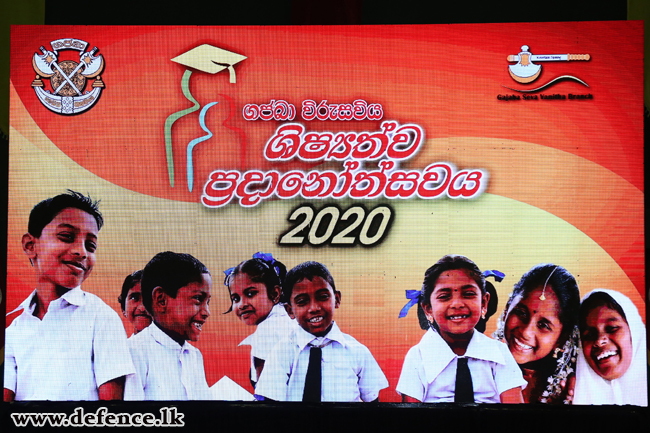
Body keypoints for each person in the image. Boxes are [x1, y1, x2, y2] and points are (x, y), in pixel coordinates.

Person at [4, 190, 134, 401]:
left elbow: (111, 410)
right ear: (30, 245)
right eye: (67, 237)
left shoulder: (101, 317)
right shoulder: (13, 329)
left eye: (90, 245)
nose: (81, 252)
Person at [397, 255, 525, 403]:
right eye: (444, 296)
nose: (457, 304)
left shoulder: (499, 353)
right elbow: (411, 419)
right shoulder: (417, 357)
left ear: (484, 302)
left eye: (468, 294)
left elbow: (516, 414)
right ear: (428, 309)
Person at [254, 261, 388, 402]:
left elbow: (373, 404)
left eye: (322, 297)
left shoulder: (357, 351)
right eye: (302, 301)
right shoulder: (282, 352)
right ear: (290, 311)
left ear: (336, 299)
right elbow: (271, 406)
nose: (314, 308)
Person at [125, 251, 212, 400]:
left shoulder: (195, 356)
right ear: (161, 300)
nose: (206, 312)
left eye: (208, 302)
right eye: (198, 299)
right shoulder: (134, 351)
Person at [493, 264, 580, 403]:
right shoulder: (475, 364)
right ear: (507, 308)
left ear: (562, 338)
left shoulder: (569, 391)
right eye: (521, 313)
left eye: (543, 325)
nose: (526, 331)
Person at [224, 252, 295, 387]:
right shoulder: (290, 317)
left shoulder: (267, 329)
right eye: (235, 298)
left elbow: (266, 391)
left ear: (275, 293)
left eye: (250, 294)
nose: (242, 304)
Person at [573, 289, 647, 405]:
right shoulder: (571, 398)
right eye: (590, 335)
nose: (599, 341)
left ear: (634, 332)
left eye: (612, 328)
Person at [118, 270, 152, 335]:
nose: (142, 308)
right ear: (123, 309)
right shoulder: (123, 344)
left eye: (149, 298)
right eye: (134, 298)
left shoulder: (174, 344)